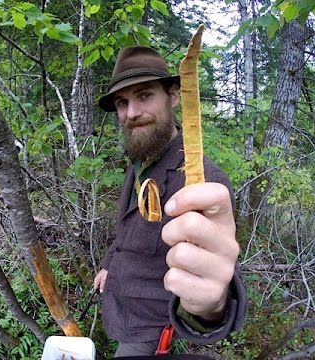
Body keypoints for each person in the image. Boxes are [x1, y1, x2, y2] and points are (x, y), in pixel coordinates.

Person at [94, 46, 247, 357]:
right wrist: (109, 264)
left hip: (152, 329)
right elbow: (126, 232)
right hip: (116, 307)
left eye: (145, 95)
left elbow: (217, 279)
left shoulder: (201, 181)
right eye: (123, 102)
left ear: (174, 96)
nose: (132, 113)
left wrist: (211, 306)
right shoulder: (140, 161)